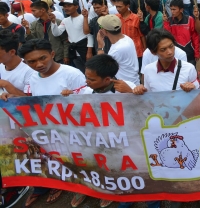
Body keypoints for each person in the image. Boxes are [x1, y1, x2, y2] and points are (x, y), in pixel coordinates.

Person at [4, 39, 86, 206]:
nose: (39, 64)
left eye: (43, 58)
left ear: (52, 54)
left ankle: (83, 188)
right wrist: (12, 98)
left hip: (73, 129)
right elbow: (31, 100)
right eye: (32, 62)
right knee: (48, 158)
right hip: (47, 129)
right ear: (26, 63)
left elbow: (88, 103)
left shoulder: (73, 74)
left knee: (79, 161)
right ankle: (54, 184)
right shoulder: (33, 78)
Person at [64, 54, 134, 208]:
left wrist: (130, 92)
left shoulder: (125, 87)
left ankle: (116, 191)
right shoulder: (85, 92)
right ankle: (97, 189)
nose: (86, 82)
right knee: (97, 165)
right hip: (95, 139)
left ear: (107, 80)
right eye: (86, 77)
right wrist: (67, 99)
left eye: (91, 79)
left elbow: (142, 109)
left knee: (117, 167)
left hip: (120, 140)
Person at [137, 29, 199, 95]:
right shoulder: (148, 70)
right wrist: (140, 90)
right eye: (163, 49)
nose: (170, 52)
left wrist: (193, 86)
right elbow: (149, 96)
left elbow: (197, 93)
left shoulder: (189, 68)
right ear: (153, 52)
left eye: (171, 46)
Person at [95, 14, 140, 85]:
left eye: (101, 27)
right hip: (133, 82)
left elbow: (101, 68)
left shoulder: (116, 50)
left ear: (105, 31)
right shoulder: (127, 38)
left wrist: (100, 46)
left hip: (125, 88)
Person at [50, 0, 91, 72]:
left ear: (76, 7)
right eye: (65, 6)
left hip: (85, 50)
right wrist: (53, 22)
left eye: (69, 6)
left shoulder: (84, 18)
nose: (66, 8)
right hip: (74, 53)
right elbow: (57, 33)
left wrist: (89, 51)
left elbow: (89, 35)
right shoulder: (65, 20)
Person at [163, 0, 200, 65]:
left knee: (190, 71)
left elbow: (195, 37)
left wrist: (197, 52)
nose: (172, 11)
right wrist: (165, 23)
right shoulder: (169, 21)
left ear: (181, 9)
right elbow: (167, 36)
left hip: (189, 52)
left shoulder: (190, 19)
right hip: (176, 52)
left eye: (174, 9)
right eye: (171, 9)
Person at [115, 0, 146, 70]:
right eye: (116, 6)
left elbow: (142, 36)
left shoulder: (136, 18)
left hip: (136, 52)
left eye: (120, 6)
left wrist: (145, 50)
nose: (118, 9)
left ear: (127, 6)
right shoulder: (116, 18)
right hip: (122, 52)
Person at [0, 30, 34, 97]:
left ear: (12, 52)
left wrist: (6, 84)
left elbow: (31, 100)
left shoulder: (30, 71)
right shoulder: (1, 65)